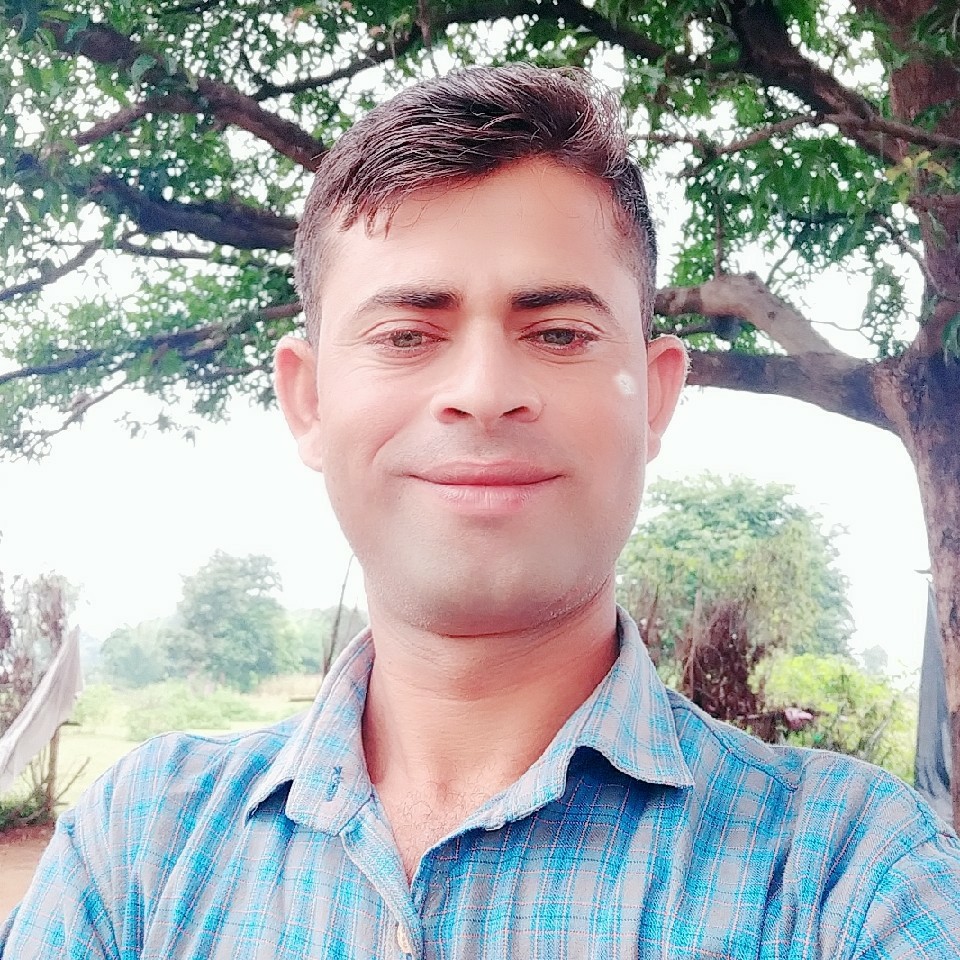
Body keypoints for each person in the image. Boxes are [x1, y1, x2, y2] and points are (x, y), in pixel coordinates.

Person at [3, 64, 960, 959]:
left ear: (656, 397)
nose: (484, 392)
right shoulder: (137, 850)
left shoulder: (851, 877)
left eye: (559, 332)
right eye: (406, 334)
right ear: (308, 401)